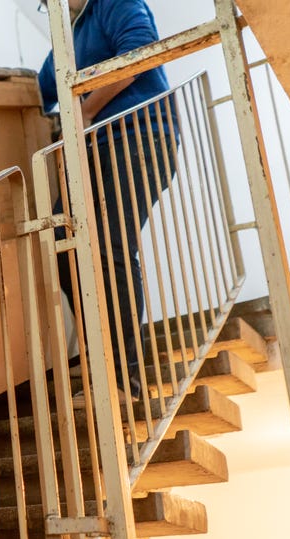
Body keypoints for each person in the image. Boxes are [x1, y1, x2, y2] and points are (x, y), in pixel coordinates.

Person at [37, 0, 177, 399]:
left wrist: (84, 109)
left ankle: (121, 381)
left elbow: (139, 52)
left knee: (110, 247)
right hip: (97, 150)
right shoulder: (70, 36)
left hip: (141, 136)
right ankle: (102, 363)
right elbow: (43, 88)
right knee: (66, 252)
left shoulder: (116, 3)